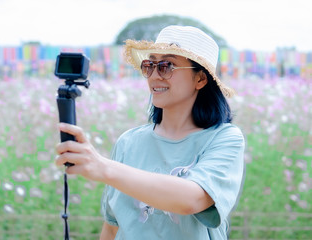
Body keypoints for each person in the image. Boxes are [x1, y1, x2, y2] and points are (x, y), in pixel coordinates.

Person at [55, 25, 245, 240]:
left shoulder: (224, 138)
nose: (154, 75)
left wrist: (103, 166)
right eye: (150, 65)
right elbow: (112, 227)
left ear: (200, 79)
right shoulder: (129, 142)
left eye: (167, 66)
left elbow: (192, 199)